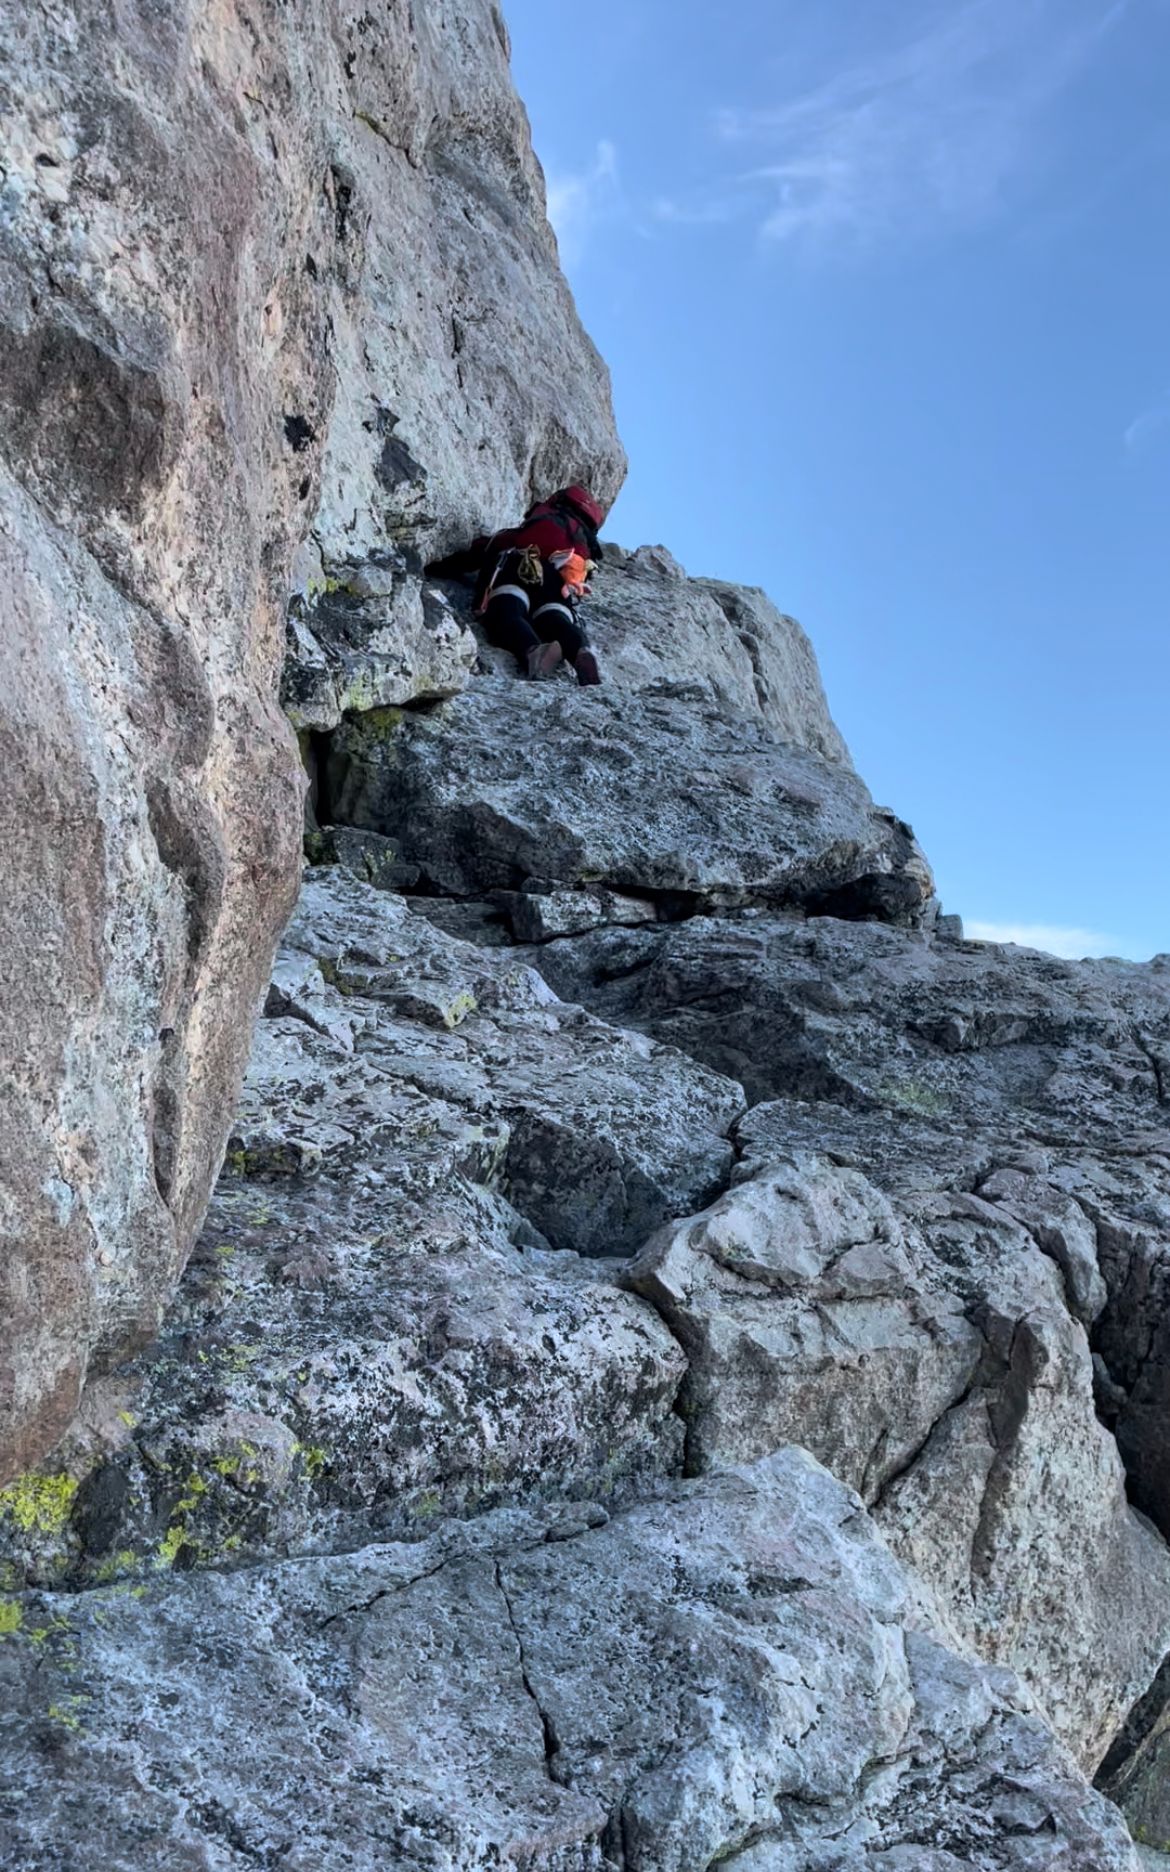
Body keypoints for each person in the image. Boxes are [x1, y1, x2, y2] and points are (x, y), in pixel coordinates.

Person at [429, 485, 607, 685]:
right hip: (555, 581)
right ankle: (580, 651)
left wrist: (436, 565)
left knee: (507, 610)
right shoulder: (577, 547)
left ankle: (533, 651)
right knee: (554, 617)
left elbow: (481, 552)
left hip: (516, 566)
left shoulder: (527, 530)